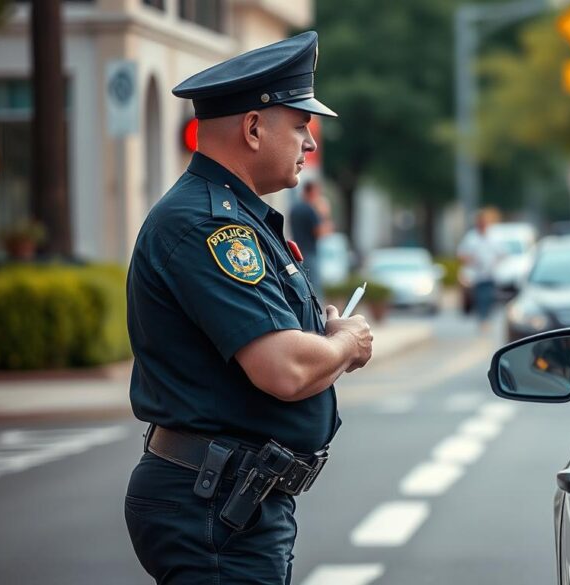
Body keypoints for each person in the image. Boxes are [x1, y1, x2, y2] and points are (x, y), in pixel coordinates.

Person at [124, 31, 373, 584]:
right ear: (254, 128)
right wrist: (346, 343)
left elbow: (277, 340)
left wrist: (322, 338)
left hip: (230, 498)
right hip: (211, 505)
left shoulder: (238, 217)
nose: (310, 142)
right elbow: (282, 369)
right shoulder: (209, 226)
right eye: (300, 124)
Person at [458, 209, 506, 330]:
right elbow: (461, 254)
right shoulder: (471, 237)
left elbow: (503, 253)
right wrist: (471, 261)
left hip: (491, 274)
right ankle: (482, 319)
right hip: (476, 275)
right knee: (480, 297)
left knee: (490, 297)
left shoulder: (494, 237)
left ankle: (486, 318)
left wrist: (495, 262)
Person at [289, 180, 333, 286]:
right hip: (309, 252)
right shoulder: (310, 210)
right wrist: (324, 215)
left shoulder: (294, 208)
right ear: (312, 192)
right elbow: (320, 232)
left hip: (296, 252)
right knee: (314, 285)